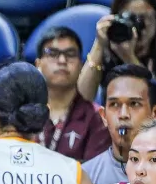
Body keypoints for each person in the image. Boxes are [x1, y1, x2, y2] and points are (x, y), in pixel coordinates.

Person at [78, 0, 156, 110]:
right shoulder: (108, 57)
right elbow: (81, 101)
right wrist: (99, 44)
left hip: (155, 128)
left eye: (145, 18)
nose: (140, 26)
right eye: (132, 18)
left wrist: (129, 57)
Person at [35, 26, 111, 160]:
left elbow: (93, 172)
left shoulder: (96, 118)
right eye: (53, 53)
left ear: (81, 65)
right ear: (38, 64)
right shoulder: (23, 112)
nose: (62, 61)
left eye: (70, 54)